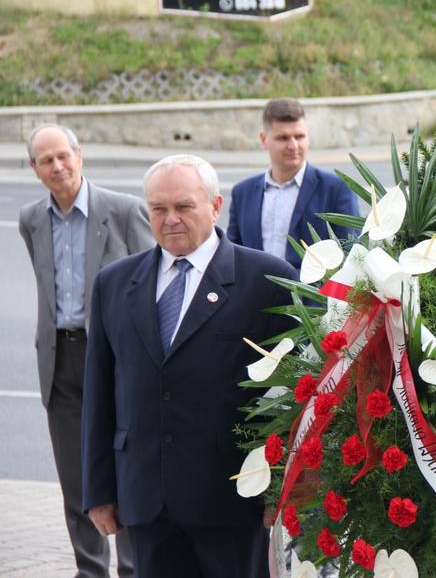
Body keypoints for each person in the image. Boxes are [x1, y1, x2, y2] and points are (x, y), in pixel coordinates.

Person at [82, 155, 296, 577]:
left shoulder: (268, 281)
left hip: (231, 500)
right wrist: (98, 490)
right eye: (158, 209)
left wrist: (284, 491)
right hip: (145, 499)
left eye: (183, 206)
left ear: (216, 206)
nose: (170, 219)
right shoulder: (115, 283)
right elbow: (100, 392)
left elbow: (294, 394)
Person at [18, 124, 149, 578]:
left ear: (80, 155)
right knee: (76, 477)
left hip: (115, 359)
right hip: (62, 360)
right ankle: (90, 569)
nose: (57, 167)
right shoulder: (31, 219)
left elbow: (151, 288)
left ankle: (133, 569)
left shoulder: (125, 211)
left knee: (125, 468)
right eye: (46, 161)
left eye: (63, 156)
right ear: (34, 170)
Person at [227, 98, 359, 268]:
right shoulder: (242, 193)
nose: (293, 145)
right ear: (263, 139)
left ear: (308, 136)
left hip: (312, 294)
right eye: (283, 138)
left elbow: (351, 254)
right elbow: (233, 255)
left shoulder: (336, 189)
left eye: (299, 136)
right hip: (257, 294)